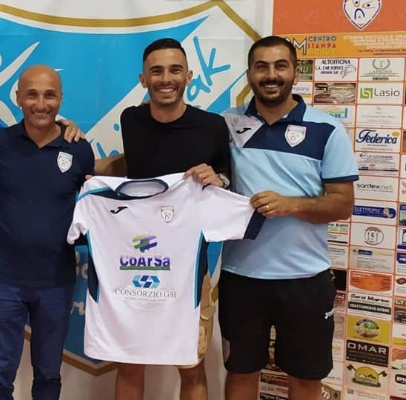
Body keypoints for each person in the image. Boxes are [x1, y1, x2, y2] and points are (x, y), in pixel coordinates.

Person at [219, 35, 358, 400]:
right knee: (240, 372)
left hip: (305, 280)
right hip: (241, 278)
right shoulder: (225, 124)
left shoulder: (327, 129)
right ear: (249, 74)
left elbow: (342, 204)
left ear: (295, 73)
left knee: (306, 379)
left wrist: (290, 205)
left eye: (280, 66)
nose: (271, 75)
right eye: (261, 66)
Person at [96, 38, 230, 400]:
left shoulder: (213, 126)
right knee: (129, 363)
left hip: (189, 268)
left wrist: (219, 180)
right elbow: (132, 166)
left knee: (191, 365)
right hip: (134, 262)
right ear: (143, 79)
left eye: (174, 70)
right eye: (156, 71)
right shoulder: (131, 120)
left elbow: (227, 177)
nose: (165, 79)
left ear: (189, 76)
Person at [0, 65, 94, 400]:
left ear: (61, 99)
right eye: (32, 94)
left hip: (56, 280)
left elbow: (95, 204)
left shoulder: (79, 148)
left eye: (49, 95)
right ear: (18, 98)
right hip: (4, 278)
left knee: (48, 375)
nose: (41, 104)